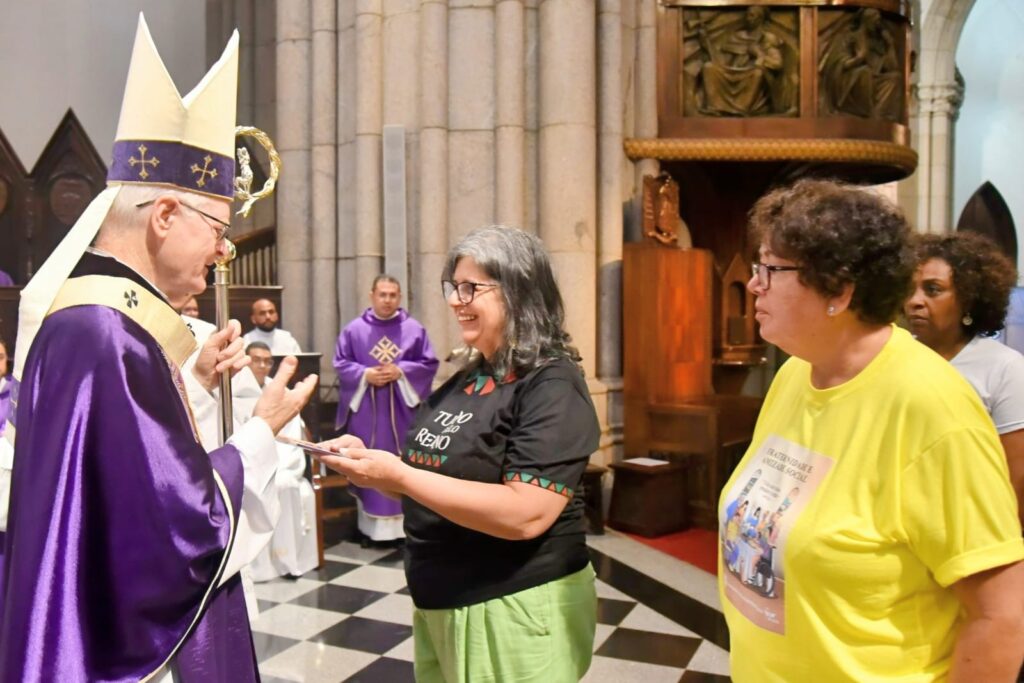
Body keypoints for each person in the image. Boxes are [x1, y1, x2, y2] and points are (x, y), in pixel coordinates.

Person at [0, 16, 318, 682]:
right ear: (166, 215)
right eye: (218, 227)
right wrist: (260, 433)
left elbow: (119, 479)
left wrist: (193, 381)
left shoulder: (92, 317)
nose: (225, 250)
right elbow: (181, 533)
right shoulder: (106, 332)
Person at [719, 179, 1024, 682]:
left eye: (771, 269)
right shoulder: (797, 372)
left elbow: (1000, 617)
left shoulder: (933, 409)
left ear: (838, 290)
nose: (754, 285)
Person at [319, 227, 600, 682]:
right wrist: (372, 466)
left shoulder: (551, 385)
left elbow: (527, 514)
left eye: (471, 288)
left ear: (519, 290)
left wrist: (400, 476)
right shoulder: (469, 377)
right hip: (442, 600)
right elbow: (430, 475)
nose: (454, 301)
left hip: (511, 602)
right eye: (453, 286)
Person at [332, 274, 438, 543]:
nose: (387, 300)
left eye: (393, 295)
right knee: (366, 461)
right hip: (367, 413)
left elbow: (429, 364)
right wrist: (365, 374)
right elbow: (341, 364)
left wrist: (401, 372)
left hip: (404, 415)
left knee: (404, 465)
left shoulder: (414, 329)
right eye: (382, 294)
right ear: (372, 295)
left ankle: (404, 530)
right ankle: (369, 531)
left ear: (399, 297)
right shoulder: (354, 330)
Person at [245, 341, 318, 580]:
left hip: (280, 461)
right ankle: (255, 568)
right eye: (257, 360)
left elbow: (291, 437)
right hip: (247, 463)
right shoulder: (231, 392)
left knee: (284, 484)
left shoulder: (281, 393)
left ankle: (286, 561)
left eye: (267, 361)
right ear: (246, 361)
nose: (262, 365)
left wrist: (279, 468)